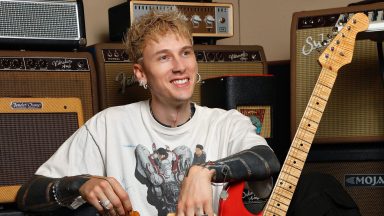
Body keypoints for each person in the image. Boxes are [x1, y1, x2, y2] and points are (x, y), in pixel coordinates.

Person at [16, 9, 281, 216]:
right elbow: (28, 194)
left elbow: (266, 158)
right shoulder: (108, 125)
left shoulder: (225, 123)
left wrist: (208, 171)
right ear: (141, 73)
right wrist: (81, 184)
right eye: (164, 57)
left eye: (185, 53)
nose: (180, 67)